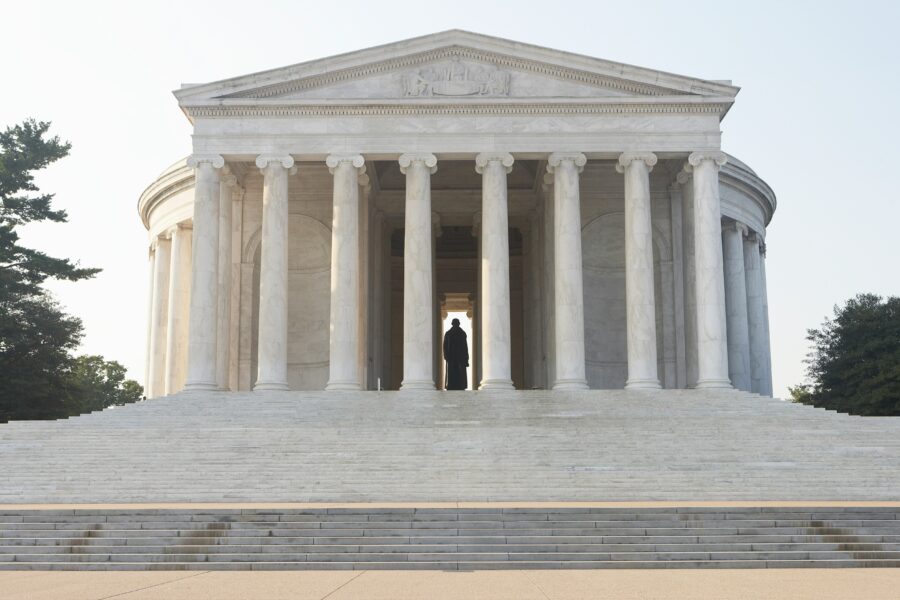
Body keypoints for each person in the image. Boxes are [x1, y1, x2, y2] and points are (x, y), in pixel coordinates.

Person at [442, 318, 469, 390]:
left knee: (459, 372)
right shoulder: (448, 334)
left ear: (458, 324)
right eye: (454, 323)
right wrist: (446, 355)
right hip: (451, 357)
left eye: (457, 323)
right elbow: (444, 346)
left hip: (460, 357)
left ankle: (460, 385)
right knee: (452, 372)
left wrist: (466, 359)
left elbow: (465, 347)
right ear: (452, 324)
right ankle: (451, 385)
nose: (456, 325)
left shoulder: (462, 334)